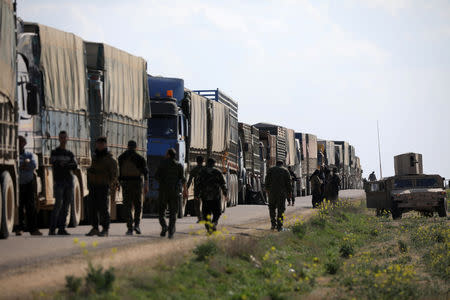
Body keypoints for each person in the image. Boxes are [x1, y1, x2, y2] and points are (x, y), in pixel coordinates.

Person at [86, 137, 118, 237]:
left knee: (103, 208)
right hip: (93, 186)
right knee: (92, 208)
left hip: (103, 186)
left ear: (105, 145)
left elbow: (114, 174)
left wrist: (110, 184)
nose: (99, 146)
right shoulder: (94, 157)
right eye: (98, 144)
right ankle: (95, 228)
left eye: (101, 144)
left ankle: (105, 229)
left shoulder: (110, 159)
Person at [49, 131, 78, 235]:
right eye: (61, 137)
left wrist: (64, 165)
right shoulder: (54, 152)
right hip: (59, 182)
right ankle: (52, 229)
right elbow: (53, 163)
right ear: (59, 139)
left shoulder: (69, 153)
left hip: (68, 182)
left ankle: (62, 228)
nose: (63, 139)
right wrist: (66, 164)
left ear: (67, 139)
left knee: (66, 205)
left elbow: (75, 166)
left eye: (64, 137)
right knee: (58, 205)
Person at [118, 140, 149, 235]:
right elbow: (145, 173)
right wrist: (146, 185)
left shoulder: (121, 157)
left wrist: (118, 183)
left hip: (126, 184)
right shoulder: (140, 158)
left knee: (127, 206)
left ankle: (129, 227)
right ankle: (137, 225)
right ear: (136, 147)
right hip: (137, 183)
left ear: (127, 146)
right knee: (137, 205)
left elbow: (118, 173)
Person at [155, 148, 186, 239]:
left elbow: (156, 176)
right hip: (175, 192)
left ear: (168, 155)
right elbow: (183, 179)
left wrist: (162, 182)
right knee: (173, 213)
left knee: (161, 212)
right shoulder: (179, 165)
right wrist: (185, 190)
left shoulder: (162, 164)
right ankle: (171, 232)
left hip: (163, 191)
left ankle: (164, 226)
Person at [16, 136, 41, 236]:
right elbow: (17, 165)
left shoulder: (30, 154)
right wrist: (24, 163)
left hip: (29, 183)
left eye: (21, 142)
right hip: (19, 184)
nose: (19, 144)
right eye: (18, 142)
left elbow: (33, 165)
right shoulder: (14, 155)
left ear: (24, 144)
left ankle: (33, 229)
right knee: (19, 207)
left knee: (31, 207)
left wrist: (23, 165)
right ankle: (19, 228)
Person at [196, 158, 227, 234]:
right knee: (217, 212)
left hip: (205, 196)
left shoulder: (202, 172)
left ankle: (209, 227)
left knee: (206, 213)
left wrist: (197, 195)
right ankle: (213, 223)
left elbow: (198, 184)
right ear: (214, 164)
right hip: (215, 196)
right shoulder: (217, 172)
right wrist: (225, 194)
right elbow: (223, 184)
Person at [265, 161, 291, 231]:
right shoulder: (285, 171)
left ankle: (273, 224)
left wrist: (267, 190)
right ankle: (279, 226)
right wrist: (289, 193)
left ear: (276, 164)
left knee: (272, 208)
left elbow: (266, 181)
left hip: (272, 193)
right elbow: (288, 183)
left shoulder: (270, 170)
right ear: (282, 164)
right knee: (281, 209)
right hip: (281, 193)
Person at [186, 156, 205, 222]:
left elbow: (189, 181)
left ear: (196, 161)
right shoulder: (206, 170)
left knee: (197, 205)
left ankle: (199, 218)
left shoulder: (194, 170)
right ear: (203, 161)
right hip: (205, 190)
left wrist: (186, 189)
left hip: (197, 190)